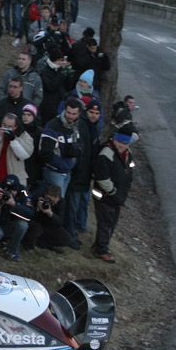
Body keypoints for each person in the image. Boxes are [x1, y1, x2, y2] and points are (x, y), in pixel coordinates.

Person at [63, 99, 103, 245]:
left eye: (96, 113)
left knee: (78, 205)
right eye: (91, 112)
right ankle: (70, 234)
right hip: (78, 173)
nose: (93, 115)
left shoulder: (93, 127)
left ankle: (73, 230)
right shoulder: (81, 126)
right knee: (72, 206)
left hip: (85, 174)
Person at [91, 132, 134, 263]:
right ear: (114, 140)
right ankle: (101, 251)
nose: (121, 145)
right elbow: (102, 178)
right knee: (106, 223)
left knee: (112, 223)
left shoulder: (127, 153)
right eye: (119, 142)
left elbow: (130, 171)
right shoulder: (106, 154)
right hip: (105, 196)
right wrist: (113, 193)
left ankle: (100, 246)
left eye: (125, 143)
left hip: (117, 196)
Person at [0, 174, 33, 261]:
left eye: (14, 190)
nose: (10, 193)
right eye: (8, 190)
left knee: (23, 225)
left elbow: (30, 214)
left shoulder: (23, 193)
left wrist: (14, 205)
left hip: (10, 226)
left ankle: (11, 252)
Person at [39, 98, 82, 195]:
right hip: (54, 171)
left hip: (67, 171)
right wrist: (62, 164)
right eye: (68, 112)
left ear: (78, 114)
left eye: (74, 114)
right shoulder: (53, 126)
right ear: (64, 110)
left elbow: (78, 146)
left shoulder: (76, 127)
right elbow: (45, 152)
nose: (70, 116)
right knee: (56, 200)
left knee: (61, 200)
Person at [0, 111, 33, 186]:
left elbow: (25, 154)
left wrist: (13, 140)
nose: (5, 128)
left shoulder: (24, 135)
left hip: (13, 178)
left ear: (15, 127)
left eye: (9, 127)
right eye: (4, 125)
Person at [22, 184, 70, 252]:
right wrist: (37, 209)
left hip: (49, 225)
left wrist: (50, 214)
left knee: (66, 238)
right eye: (49, 200)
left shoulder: (61, 203)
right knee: (37, 228)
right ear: (45, 194)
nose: (50, 203)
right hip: (36, 223)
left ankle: (43, 244)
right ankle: (28, 245)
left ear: (58, 198)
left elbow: (60, 222)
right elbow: (28, 216)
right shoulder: (37, 196)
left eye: (53, 201)